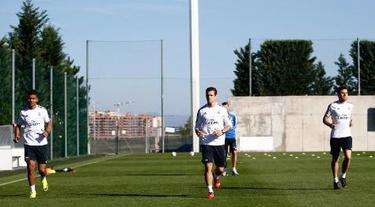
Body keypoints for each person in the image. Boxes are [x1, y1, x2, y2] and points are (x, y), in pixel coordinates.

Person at [13, 90, 52, 198]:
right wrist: (16, 135)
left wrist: (47, 131)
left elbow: (49, 122)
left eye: (33, 98)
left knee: (42, 169)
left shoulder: (42, 110)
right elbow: (18, 125)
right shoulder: (23, 112)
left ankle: (43, 178)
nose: (31, 100)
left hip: (41, 144)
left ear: (37, 100)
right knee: (30, 167)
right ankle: (33, 191)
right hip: (29, 143)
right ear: (27, 99)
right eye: (30, 98)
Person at [195, 87, 232, 200]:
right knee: (207, 167)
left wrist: (221, 131)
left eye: (211, 95)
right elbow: (197, 126)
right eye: (207, 95)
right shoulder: (202, 111)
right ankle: (210, 191)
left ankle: (217, 177)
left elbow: (229, 125)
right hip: (206, 143)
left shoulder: (222, 110)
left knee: (220, 169)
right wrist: (198, 131)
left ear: (215, 96)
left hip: (219, 144)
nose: (209, 97)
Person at [323, 85, 353, 190]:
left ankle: (343, 176)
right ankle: (335, 180)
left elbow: (349, 118)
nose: (345, 94)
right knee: (335, 159)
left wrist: (351, 121)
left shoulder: (350, 106)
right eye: (342, 93)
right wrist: (331, 124)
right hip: (335, 136)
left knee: (348, 157)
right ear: (338, 94)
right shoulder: (332, 106)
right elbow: (325, 119)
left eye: (346, 93)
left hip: (347, 136)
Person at [222, 102, 239, 176]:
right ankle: (224, 170)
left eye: (226, 107)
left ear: (228, 107)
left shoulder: (233, 115)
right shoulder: (221, 115)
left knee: (234, 152)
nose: (225, 108)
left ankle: (234, 169)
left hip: (232, 137)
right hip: (224, 138)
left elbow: (235, 125)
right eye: (223, 107)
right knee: (224, 155)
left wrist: (229, 128)